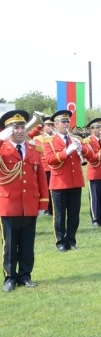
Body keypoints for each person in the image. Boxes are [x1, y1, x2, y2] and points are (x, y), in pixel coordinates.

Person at [0, 110, 49, 292]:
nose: (20, 131)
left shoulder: (34, 149)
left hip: (30, 203)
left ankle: (25, 275)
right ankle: (10, 277)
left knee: (28, 243)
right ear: (8, 131)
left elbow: (41, 179)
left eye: (22, 127)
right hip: (9, 204)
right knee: (10, 244)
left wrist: (43, 203)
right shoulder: (2, 149)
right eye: (15, 128)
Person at [43, 110, 91, 252]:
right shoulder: (49, 141)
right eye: (63, 122)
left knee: (74, 215)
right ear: (56, 124)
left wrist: (82, 148)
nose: (66, 124)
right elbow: (50, 160)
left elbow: (92, 156)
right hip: (59, 183)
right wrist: (67, 152)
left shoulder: (74, 138)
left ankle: (71, 240)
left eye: (68, 122)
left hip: (75, 181)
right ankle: (61, 242)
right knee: (59, 215)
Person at [83, 118, 101, 227]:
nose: (100, 129)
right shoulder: (87, 141)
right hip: (95, 173)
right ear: (91, 129)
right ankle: (95, 219)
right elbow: (91, 157)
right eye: (97, 127)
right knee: (95, 198)